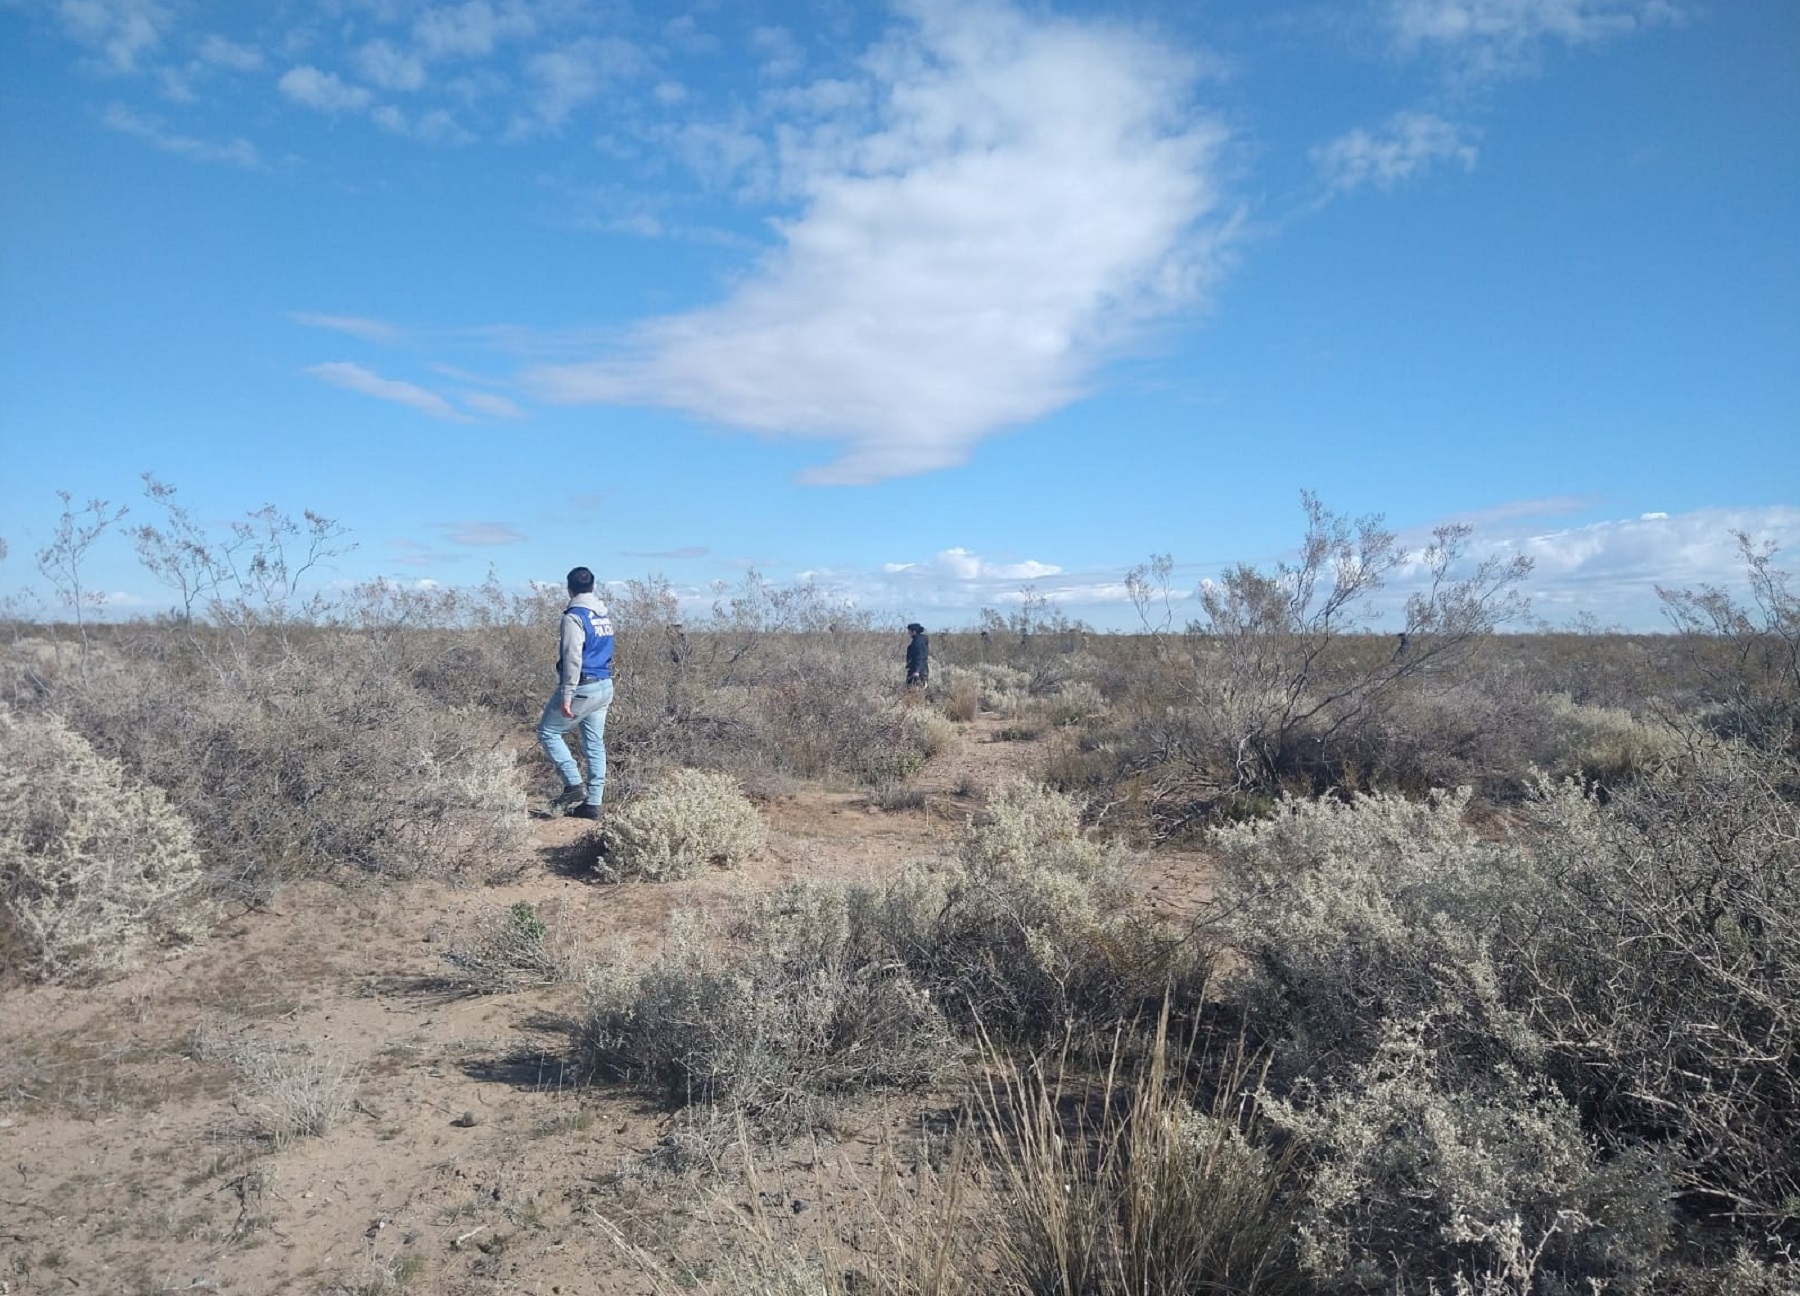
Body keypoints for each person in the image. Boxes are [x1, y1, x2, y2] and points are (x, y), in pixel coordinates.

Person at [537, 567, 614, 821]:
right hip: (604, 684)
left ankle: (573, 786)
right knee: (594, 743)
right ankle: (593, 804)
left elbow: (572, 656)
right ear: (593, 586)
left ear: (569, 588)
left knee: (549, 731)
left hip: (583, 686)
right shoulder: (603, 615)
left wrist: (567, 693)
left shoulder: (574, 616)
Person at [905, 622, 930, 688]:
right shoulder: (918, 640)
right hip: (920, 669)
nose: (908, 632)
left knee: (915, 689)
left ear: (914, 631)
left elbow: (919, 657)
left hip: (918, 671)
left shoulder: (918, 642)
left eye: (909, 631)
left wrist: (917, 671)